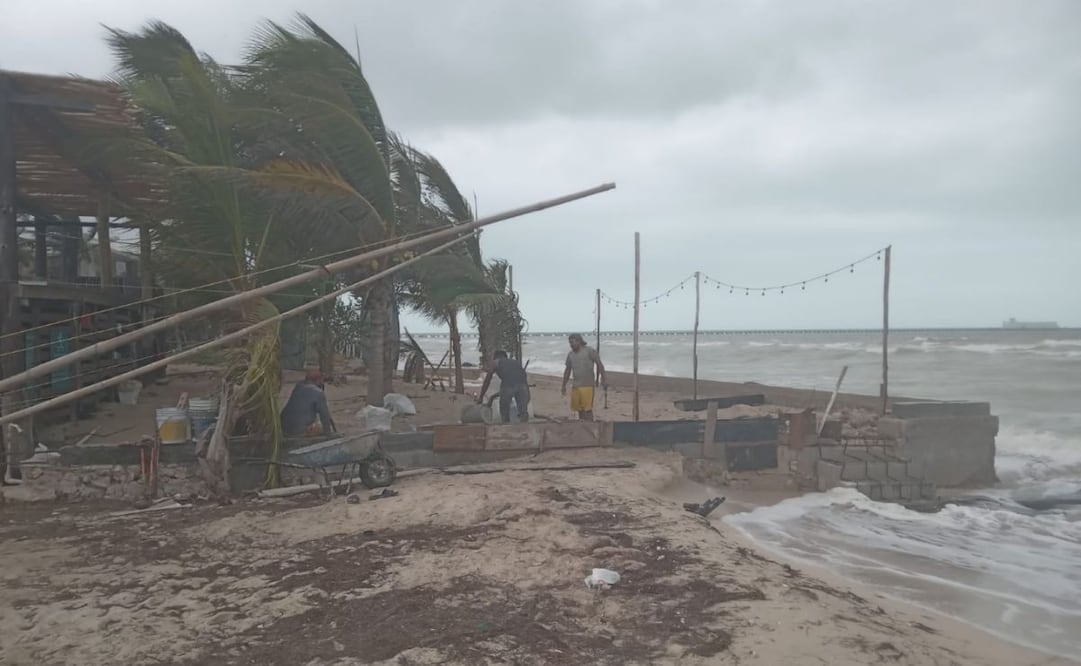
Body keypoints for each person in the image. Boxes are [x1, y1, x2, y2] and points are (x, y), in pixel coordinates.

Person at [561, 333, 607, 421]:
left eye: (572, 342)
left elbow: (599, 364)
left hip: (587, 386)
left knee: (587, 410)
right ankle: (582, 425)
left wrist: (603, 378)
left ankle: (590, 425)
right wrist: (563, 385)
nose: (571, 345)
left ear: (579, 341)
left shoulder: (590, 351)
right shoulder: (570, 355)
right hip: (576, 386)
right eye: (570, 343)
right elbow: (567, 371)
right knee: (579, 410)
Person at [477, 350, 530, 423]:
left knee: (504, 409)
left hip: (509, 384)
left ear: (495, 357)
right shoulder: (515, 362)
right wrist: (492, 397)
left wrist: (481, 397)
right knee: (523, 412)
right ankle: (525, 426)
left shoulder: (496, 362)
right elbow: (518, 383)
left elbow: (487, 380)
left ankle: (505, 424)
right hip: (523, 385)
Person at [280, 368, 336, 436]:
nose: (322, 383)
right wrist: (328, 433)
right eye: (321, 381)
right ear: (318, 380)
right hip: (299, 431)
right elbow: (325, 416)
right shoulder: (318, 392)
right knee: (319, 427)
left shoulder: (298, 387)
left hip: (283, 428)